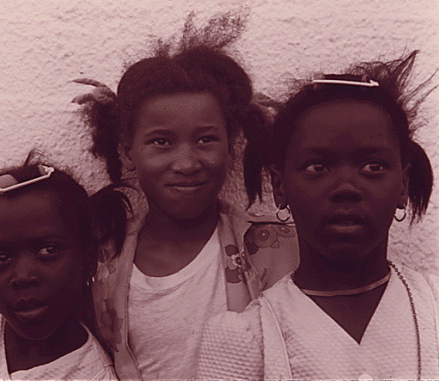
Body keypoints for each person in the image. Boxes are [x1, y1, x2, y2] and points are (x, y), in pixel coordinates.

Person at [72, 12, 299, 379]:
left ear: (231, 145)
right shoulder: (101, 262)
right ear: (128, 152)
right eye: (161, 142)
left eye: (206, 139)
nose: (187, 163)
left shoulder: (277, 247)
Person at [196, 50, 438, 380]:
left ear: (403, 186)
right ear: (280, 187)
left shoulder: (433, 310)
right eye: (317, 167)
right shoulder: (246, 340)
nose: (346, 187)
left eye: (373, 166)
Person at [0, 155, 129, 379]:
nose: (23, 276)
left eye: (48, 251)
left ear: (88, 260)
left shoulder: (94, 375)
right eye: (1, 258)